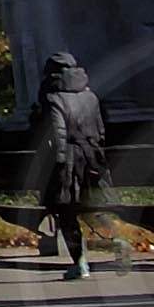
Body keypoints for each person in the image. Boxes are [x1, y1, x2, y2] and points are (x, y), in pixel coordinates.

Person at [28, 53, 111, 281]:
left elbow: (58, 134)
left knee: (66, 210)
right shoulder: (90, 96)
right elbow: (101, 131)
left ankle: (80, 262)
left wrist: (59, 165)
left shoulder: (53, 97)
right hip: (92, 158)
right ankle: (114, 242)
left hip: (69, 161)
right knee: (92, 206)